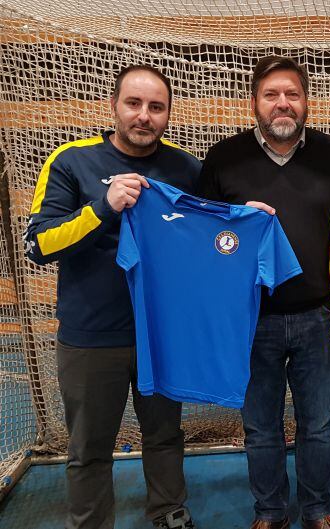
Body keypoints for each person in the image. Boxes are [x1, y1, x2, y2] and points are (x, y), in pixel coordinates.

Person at [24, 65, 200, 529]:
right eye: (134, 104)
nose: (144, 116)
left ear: (168, 114)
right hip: (90, 337)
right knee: (89, 447)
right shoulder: (72, 161)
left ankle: (168, 513)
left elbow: (211, 227)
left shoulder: (185, 167)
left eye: (156, 107)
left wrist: (246, 216)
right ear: (114, 106)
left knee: (165, 435)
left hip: (160, 334)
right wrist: (103, 207)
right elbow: (38, 245)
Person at [197, 55, 330, 529]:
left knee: (319, 427)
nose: (282, 104)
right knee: (260, 428)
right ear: (254, 104)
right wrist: (234, 222)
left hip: (318, 318)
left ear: (306, 101)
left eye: (292, 94)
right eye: (271, 95)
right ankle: (269, 512)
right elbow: (205, 238)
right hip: (250, 320)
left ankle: (317, 509)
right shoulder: (223, 158)